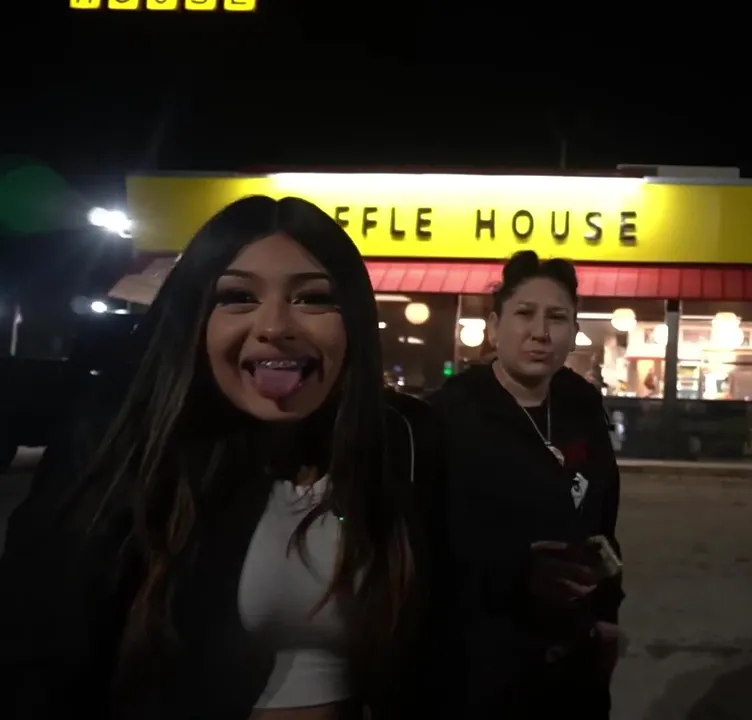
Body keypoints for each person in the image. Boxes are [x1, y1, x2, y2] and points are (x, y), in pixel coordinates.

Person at [0, 195, 441, 719]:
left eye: (313, 298)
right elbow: (38, 661)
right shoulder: (122, 451)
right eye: (238, 296)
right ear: (195, 320)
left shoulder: (402, 444)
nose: (275, 326)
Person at [428, 250, 624, 719]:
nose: (540, 332)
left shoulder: (581, 405)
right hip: (479, 669)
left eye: (557, 317)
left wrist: (605, 614)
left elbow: (604, 520)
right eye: (524, 314)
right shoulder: (448, 416)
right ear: (494, 327)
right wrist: (516, 575)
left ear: (573, 332)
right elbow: (425, 549)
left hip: (574, 668)